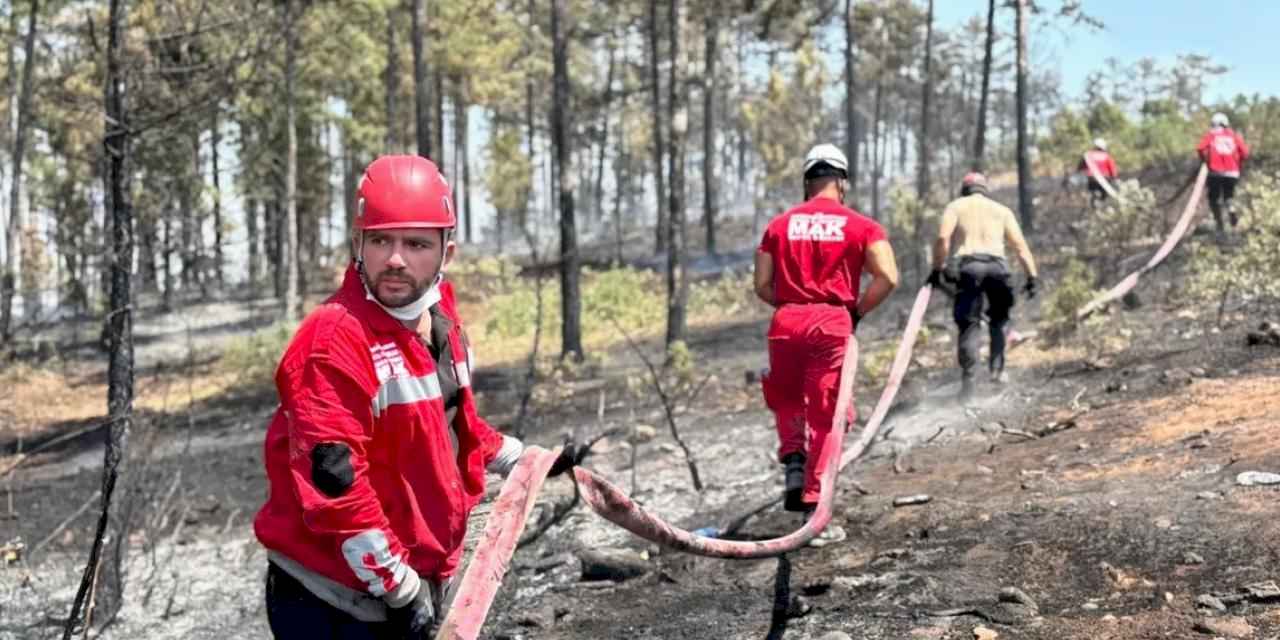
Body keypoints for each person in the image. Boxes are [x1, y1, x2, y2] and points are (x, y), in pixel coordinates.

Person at [253, 155, 577, 639]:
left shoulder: (438, 315)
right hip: (333, 601)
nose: (396, 259)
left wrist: (520, 458)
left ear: (447, 253)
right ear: (358, 244)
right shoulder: (333, 342)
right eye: (380, 240)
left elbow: (444, 421)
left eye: (417, 243)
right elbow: (335, 488)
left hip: (399, 580)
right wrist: (401, 588)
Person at [754, 143, 899, 547]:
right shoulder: (862, 226)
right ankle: (814, 511)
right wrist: (855, 312)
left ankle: (794, 461)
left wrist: (790, 305)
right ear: (843, 182)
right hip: (831, 323)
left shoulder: (778, 226)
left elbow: (761, 285)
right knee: (827, 414)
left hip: (785, 322)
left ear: (807, 181)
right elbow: (887, 275)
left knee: (786, 399)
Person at [927, 172, 1039, 403]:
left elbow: (942, 239)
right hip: (998, 268)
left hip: (969, 267)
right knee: (999, 319)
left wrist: (937, 269)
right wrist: (1032, 277)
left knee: (970, 324)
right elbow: (1020, 246)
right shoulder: (1001, 210)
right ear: (984, 189)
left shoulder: (955, 206)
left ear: (964, 189)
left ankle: (969, 384)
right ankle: (997, 371)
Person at [1197, 112, 1250, 238]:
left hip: (1215, 172)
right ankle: (1231, 210)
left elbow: (1200, 148)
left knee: (1214, 199)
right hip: (1232, 173)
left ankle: (1220, 224)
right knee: (1228, 196)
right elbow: (1245, 153)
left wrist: (1204, 160)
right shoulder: (1234, 135)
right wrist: (1237, 163)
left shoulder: (1212, 135)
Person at [1078, 137, 1118, 209]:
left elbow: (1081, 166)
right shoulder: (1106, 156)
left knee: (1092, 190)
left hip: (1092, 177)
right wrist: (1114, 177)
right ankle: (1100, 203)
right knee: (1104, 193)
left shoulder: (1088, 155)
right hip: (1105, 178)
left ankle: (1094, 203)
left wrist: (1081, 172)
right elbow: (1112, 169)